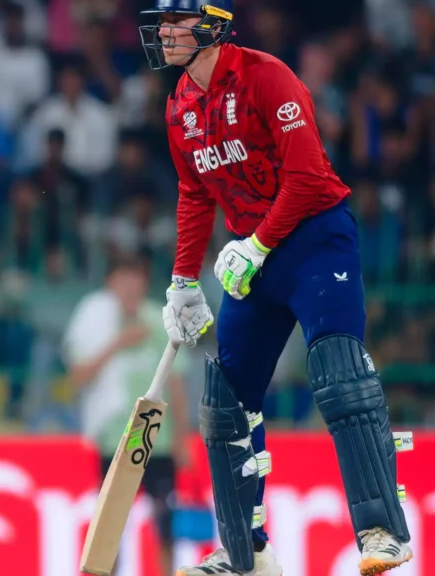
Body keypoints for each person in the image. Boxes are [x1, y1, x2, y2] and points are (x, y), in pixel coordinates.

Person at [138, 2, 415, 576]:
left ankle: (383, 532)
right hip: (251, 253)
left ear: (212, 24)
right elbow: (194, 195)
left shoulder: (267, 76)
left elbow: (308, 173)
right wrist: (182, 283)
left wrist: (259, 244)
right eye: (160, 22)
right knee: (225, 401)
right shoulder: (179, 107)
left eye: (176, 22)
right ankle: (245, 552)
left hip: (315, 240)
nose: (163, 33)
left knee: (339, 372)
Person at [62, 255, 190, 576]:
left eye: (137, 278)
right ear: (111, 282)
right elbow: (79, 377)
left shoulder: (160, 320)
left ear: (145, 282)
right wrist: (118, 343)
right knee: (111, 528)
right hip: (116, 438)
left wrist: (182, 438)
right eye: (123, 278)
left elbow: (176, 383)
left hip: (156, 435)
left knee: (165, 523)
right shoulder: (95, 322)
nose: (131, 286)